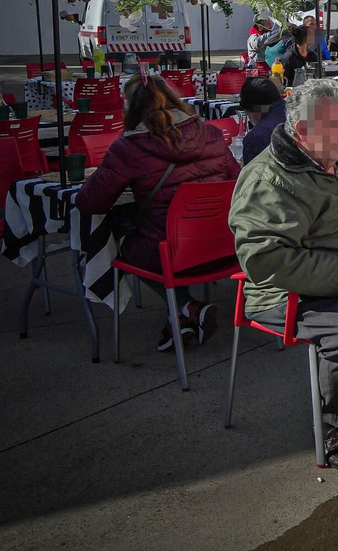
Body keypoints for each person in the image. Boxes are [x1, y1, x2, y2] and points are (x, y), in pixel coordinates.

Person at [230, 79, 338, 470]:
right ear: (302, 131)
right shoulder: (269, 178)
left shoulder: (333, 155)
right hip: (285, 292)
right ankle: (335, 424)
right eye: (337, 125)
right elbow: (263, 259)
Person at [76, 74, 240, 350]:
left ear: (132, 109)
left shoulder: (129, 147)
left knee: (122, 242)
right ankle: (183, 315)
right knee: (160, 240)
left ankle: (185, 308)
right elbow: (237, 182)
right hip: (222, 247)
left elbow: (90, 202)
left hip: (170, 253)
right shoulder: (211, 134)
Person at [237, 76, 287, 163]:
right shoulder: (296, 113)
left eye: (247, 113)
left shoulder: (256, 137)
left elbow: (253, 174)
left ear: (253, 110)